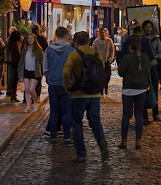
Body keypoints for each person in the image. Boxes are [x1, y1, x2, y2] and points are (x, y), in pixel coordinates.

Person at [63, 31, 109, 162]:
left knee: (77, 123)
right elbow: (102, 69)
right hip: (94, 93)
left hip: (78, 94)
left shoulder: (74, 55)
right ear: (89, 41)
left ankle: (81, 153)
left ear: (76, 42)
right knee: (95, 120)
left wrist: (67, 86)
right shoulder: (96, 54)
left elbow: (66, 71)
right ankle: (101, 142)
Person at [42, 27, 74, 145]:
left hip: (53, 84)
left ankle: (54, 137)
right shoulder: (70, 51)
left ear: (56, 35)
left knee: (54, 111)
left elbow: (45, 68)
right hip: (66, 84)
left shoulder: (49, 50)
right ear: (66, 36)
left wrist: (49, 78)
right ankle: (66, 138)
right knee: (66, 112)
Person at [118, 37, 150, 150]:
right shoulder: (145, 58)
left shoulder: (126, 58)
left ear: (130, 47)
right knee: (139, 115)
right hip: (141, 89)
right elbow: (148, 71)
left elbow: (121, 73)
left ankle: (124, 140)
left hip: (128, 89)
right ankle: (138, 140)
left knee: (126, 116)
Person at [18, 32, 44, 113]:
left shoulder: (38, 50)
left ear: (34, 39)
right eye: (28, 38)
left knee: (31, 89)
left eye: (31, 38)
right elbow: (21, 60)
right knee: (26, 89)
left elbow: (42, 61)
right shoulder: (25, 49)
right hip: (26, 71)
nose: (30, 40)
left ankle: (35, 104)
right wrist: (19, 71)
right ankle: (28, 106)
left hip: (35, 72)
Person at [92, 28, 115, 95]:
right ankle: (101, 88)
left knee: (108, 75)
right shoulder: (96, 42)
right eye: (101, 32)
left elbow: (112, 50)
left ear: (106, 33)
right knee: (100, 76)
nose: (102, 34)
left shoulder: (109, 41)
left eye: (103, 32)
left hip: (107, 60)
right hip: (99, 61)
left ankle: (106, 85)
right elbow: (93, 51)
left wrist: (110, 59)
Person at [31, 24, 48, 100]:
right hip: (39, 62)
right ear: (38, 30)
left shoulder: (27, 38)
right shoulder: (42, 39)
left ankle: (28, 96)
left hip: (29, 62)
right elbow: (46, 50)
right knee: (38, 78)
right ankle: (36, 95)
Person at [7, 29, 23, 102]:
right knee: (15, 79)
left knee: (13, 78)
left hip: (12, 62)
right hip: (16, 62)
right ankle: (13, 95)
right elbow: (18, 54)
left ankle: (13, 94)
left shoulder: (11, 43)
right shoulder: (17, 43)